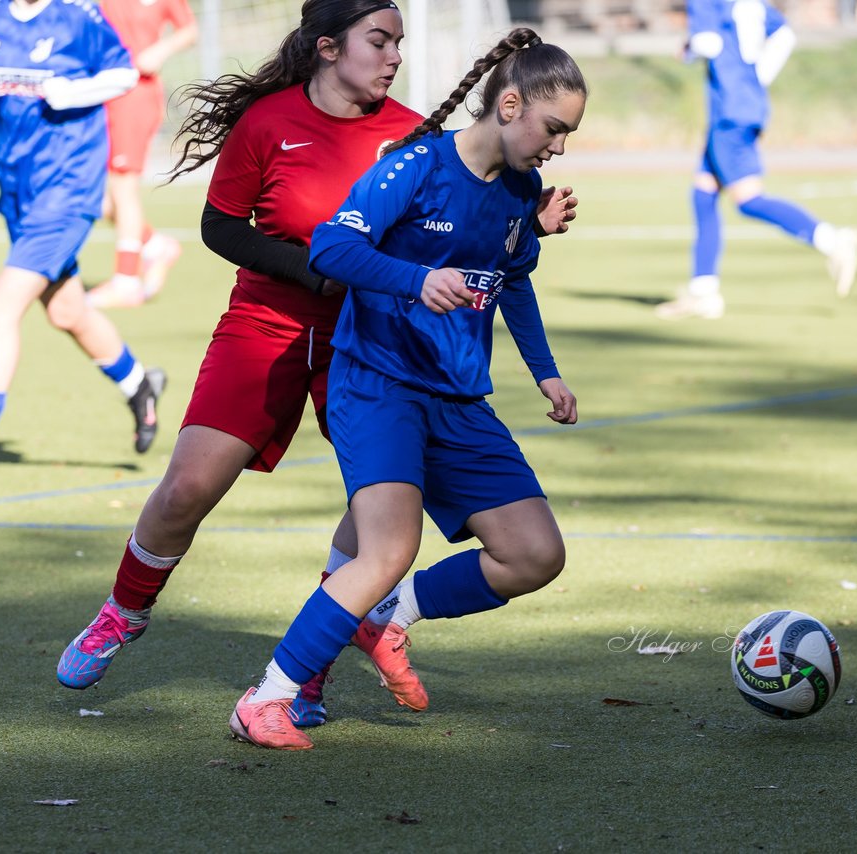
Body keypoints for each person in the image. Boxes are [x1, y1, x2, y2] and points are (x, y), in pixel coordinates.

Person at [55, 0, 578, 724]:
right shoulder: (268, 122)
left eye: (399, 42)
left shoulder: (413, 136)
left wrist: (528, 229)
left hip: (371, 344)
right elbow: (220, 226)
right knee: (186, 489)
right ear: (329, 47)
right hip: (266, 323)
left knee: (379, 525)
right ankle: (124, 611)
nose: (395, 56)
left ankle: (304, 678)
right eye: (380, 40)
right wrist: (312, 271)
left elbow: (470, 233)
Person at [228, 27, 587, 751]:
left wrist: (544, 369)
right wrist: (417, 280)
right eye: (554, 128)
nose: (558, 146)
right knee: (386, 548)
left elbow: (513, 277)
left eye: (568, 134)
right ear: (510, 105)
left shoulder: (519, 191)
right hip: (379, 384)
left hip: (458, 398)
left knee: (534, 555)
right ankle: (265, 700)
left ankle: (390, 615)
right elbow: (332, 247)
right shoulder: (417, 166)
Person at [0, 0, 167, 486]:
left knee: (0, 309)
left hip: (68, 193)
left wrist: (70, 92)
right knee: (67, 312)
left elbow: (124, 74)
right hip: (19, 195)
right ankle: (141, 386)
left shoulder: (79, 17)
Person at [656, 0, 857, 321]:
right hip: (744, 106)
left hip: (729, 113)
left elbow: (709, 42)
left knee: (748, 200)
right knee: (703, 194)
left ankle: (832, 239)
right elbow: (783, 35)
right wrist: (755, 79)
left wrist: (689, 49)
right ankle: (703, 293)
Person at [85, 0, 199, 309]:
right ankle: (154, 245)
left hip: (133, 94)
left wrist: (159, 51)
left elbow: (189, 29)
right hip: (94, 93)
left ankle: (125, 282)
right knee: (96, 198)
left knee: (123, 188)